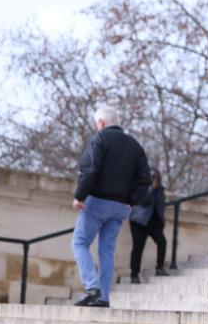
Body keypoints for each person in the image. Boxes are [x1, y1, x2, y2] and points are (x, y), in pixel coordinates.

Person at [72, 106, 150, 307]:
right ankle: (103, 297)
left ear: (101, 123)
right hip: (121, 206)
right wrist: (131, 201)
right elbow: (145, 181)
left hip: (98, 201)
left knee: (79, 242)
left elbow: (90, 170)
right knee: (106, 249)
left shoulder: (101, 139)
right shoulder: (135, 146)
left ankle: (93, 287)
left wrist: (80, 196)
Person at [128, 170, 169, 284]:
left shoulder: (160, 191)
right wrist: (151, 189)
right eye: (152, 176)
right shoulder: (142, 188)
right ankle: (134, 274)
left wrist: (162, 222)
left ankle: (159, 268)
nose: (154, 179)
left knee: (162, 242)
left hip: (153, 223)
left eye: (156, 177)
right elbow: (143, 202)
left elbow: (161, 206)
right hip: (139, 222)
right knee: (138, 247)